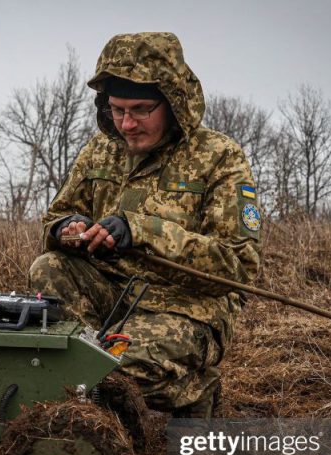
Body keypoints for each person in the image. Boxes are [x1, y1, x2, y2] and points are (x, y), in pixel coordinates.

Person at [29, 32, 262, 418]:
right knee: (48, 270)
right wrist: (70, 229)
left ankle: (194, 390)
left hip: (189, 308)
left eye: (140, 109)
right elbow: (54, 221)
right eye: (117, 110)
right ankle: (100, 389)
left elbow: (237, 265)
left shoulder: (219, 157)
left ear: (172, 102)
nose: (127, 124)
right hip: (112, 295)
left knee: (113, 371)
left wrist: (142, 231)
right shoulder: (99, 150)